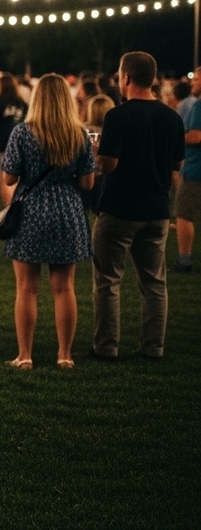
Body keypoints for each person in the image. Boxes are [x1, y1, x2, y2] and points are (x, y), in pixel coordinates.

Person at [91, 52, 185, 362]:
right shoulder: (172, 117)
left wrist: (96, 152)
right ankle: (153, 347)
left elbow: (108, 165)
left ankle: (106, 347)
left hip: (119, 208)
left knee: (108, 280)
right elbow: (176, 164)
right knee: (154, 283)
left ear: (127, 78)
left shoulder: (118, 116)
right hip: (157, 209)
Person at [0, 75, 96, 369]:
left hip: (30, 211)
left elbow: (9, 177)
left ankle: (25, 355)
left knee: (26, 288)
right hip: (67, 210)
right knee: (64, 287)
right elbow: (88, 183)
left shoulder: (22, 133)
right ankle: (64, 355)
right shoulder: (78, 134)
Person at [173, 67, 201, 273]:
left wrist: (174, 138)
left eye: (196, 79)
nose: (192, 83)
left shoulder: (199, 106)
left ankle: (184, 260)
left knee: (183, 214)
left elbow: (195, 136)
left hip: (196, 168)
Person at [0, 75, 29, 205]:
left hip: (3, 145)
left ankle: (9, 210)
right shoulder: (23, 104)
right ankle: (19, 208)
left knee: (5, 180)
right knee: (20, 181)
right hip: (23, 146)